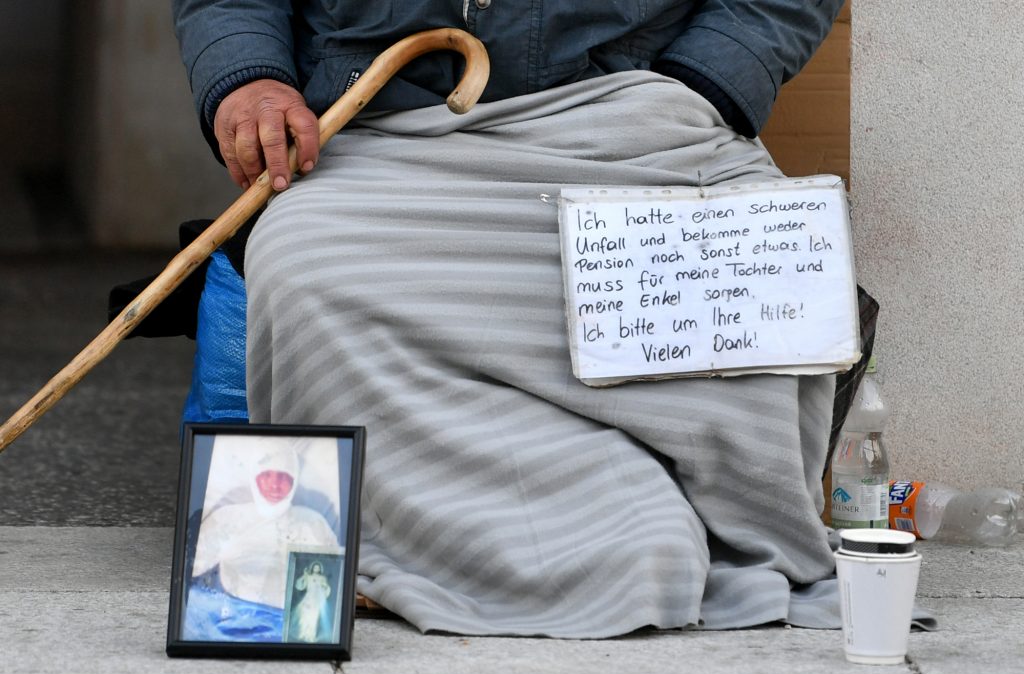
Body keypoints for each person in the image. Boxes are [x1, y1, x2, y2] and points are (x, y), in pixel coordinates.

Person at [173, 1, 850, 637]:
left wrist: (711, 79)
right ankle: (614, 529)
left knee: (768, 280)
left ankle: (621, 517)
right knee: (302, 261)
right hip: (384, 139)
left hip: (636, 124)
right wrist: (250, 81)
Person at [184, 436, 342, 641]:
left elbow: (330, 583)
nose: (275, 485)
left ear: (294, 479)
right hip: (229, 621)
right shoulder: (229, 518)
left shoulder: (311, 523)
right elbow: (189, 569)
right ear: (254, 476)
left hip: (290, 626)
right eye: (267, 475)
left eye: (284, 476)